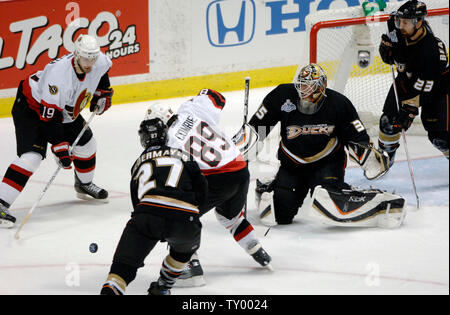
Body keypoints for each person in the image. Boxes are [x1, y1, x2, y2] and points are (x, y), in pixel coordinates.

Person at [248, 63, 405, 227]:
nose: (304, 90)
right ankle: (269, 187)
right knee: (281, 216)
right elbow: (258, 126)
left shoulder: (339, 104)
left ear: (321, 86)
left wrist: (367, 155)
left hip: (327, 164)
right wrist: (245, 147)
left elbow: (356, 135)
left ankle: (377, 201)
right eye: (302, 84)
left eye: (310, 86)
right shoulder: (282, 96)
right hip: (292, 166)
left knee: (329, 200)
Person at [159, 89, 272, 287]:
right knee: (230, 217)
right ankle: (256, 248)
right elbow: (217, 97)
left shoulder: (169, 142)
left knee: (178, 216)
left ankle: (189, 267)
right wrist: (195, 100)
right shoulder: (190, 110)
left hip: (218, 178)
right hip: (240, 170)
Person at [0, 34, 114, 228]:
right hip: (32, 107)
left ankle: (84, 184)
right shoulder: (58, 76)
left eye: (93, 58)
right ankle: (1, 202)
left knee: (87, 145)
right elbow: (49, 119)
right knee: (32, 157)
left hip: (63, 109)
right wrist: (59, 146)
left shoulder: (98, 61)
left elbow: (101, 77)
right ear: (76, 54)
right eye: (86, 58)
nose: (90, 63)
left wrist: (101, 96)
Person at [100, 108, 207, 295]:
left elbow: (137, 202)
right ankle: (164, 286)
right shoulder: (184, 155)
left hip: (147, 216)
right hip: (186, 220)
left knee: (120, 272)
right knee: (182, 252)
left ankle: (113, 288)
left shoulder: (138, 163)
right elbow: (203, 191)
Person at [377, 0, 449, 165]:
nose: (401, 25)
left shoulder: (432, 52)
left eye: (406, 22)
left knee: (440, 138)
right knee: (388, 122)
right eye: (400, 21)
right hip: (407, 79)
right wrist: (386, 52)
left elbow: (425, 91)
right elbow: (393, 54)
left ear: (419, 23)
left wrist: (409, 110)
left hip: (440, 86)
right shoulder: (398, 27)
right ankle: (384, 161)